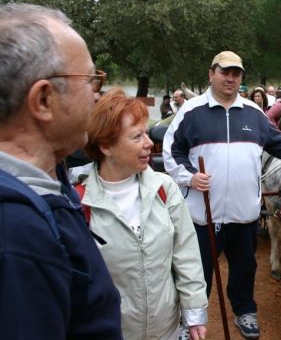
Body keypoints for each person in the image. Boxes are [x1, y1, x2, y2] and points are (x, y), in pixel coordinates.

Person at [162, 51, 281, 339]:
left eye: (236, 73)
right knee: (196, 272)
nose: (230, 78)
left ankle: (244, 312)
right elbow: (171, 152)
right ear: (210, 74)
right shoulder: (191, 111)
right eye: (224, 72)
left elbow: (279, 145)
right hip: (202, 214)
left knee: (244, 268)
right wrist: (189, 176)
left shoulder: (253, 113)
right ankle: (190, 321)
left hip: (244, 214)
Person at [0, 3, 122, 338]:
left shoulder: (49, 183)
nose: (98, 96)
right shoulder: (15, 236)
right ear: (43, 100)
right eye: (90, 80)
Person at [75, 89, 209, 340]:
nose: (149, 143)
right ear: (106, 146)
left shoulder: (164, 188)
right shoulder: (79, 201)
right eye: (137, 136)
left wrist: (193, 313)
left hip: (166, 331)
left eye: (147, 132)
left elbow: (186, 254)